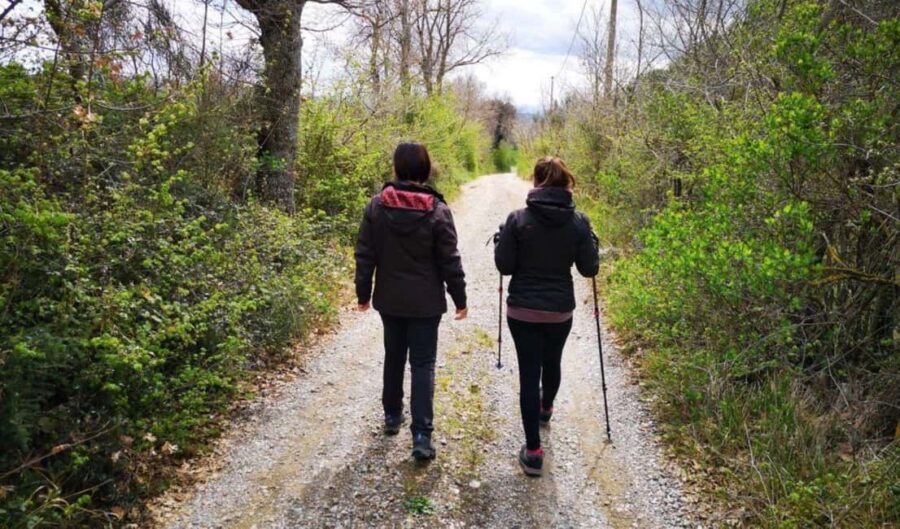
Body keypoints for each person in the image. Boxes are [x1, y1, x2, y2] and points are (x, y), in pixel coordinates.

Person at [355, 141, 468, 461]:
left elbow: (365, 255)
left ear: (397, 168)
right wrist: (459, 298)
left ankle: (392, 416)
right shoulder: (437, 209)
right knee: (422, 364)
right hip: (426, 304)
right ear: (425, 169)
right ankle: (421, 435)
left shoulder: (377, 206)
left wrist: (363, 293)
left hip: (390, 299)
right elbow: (450, 260)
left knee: (394, 355)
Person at [494, 156, 599, 476]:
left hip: (522, 311)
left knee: (529, 372)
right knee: (552, 363)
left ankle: (534, 451)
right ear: (565, 183)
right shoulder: (578, 222)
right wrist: (591, 241)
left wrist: (501, 240)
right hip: (559, 311)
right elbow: (589, 269)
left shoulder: (518, 219)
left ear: (536, 181)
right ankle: (546, 408)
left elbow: (505, 266)